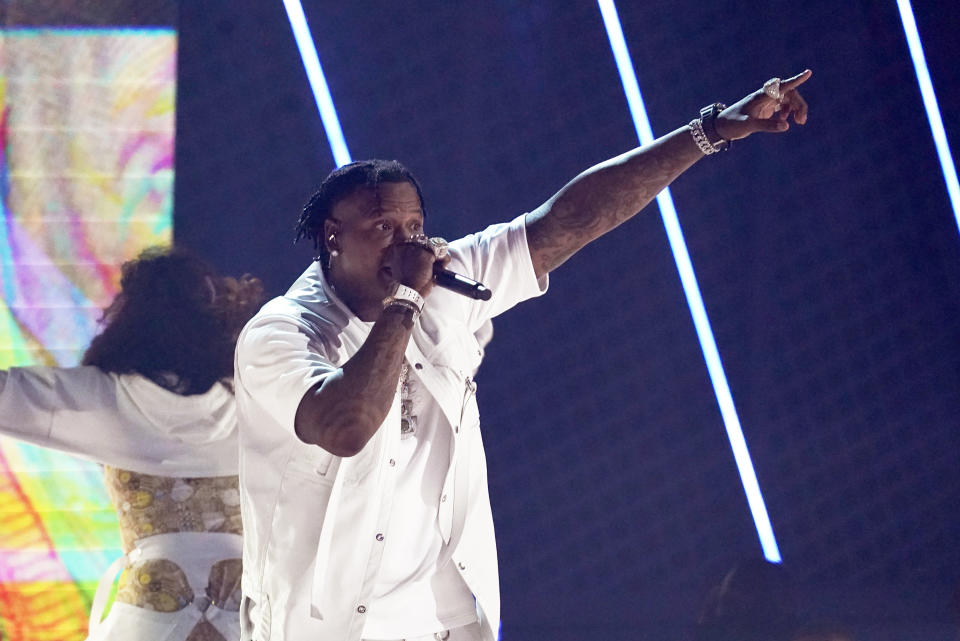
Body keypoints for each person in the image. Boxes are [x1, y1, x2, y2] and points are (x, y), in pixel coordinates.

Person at [234, 70, 812, 641]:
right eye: (383, 226)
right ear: (333, 235)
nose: (407, 242)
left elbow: (570, 220)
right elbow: (346, 427)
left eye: (415, 225)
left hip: (438, 624)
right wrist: (407, 297)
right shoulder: (281, 334)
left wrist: (710, 133)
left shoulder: (444, 284)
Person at [0, 247, 265, 641]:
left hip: (147, 611)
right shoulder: (260, 400)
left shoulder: (102, 399)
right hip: (243, 611)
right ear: (215, 318)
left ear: (128, 321)